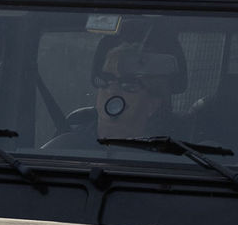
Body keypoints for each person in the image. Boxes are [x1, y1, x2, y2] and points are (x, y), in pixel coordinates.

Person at [41, 29, 186, 149]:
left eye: (129, 84)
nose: (112, 91)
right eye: (107, 80)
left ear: (153, 103)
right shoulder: (66, 147)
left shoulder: (171, 158)